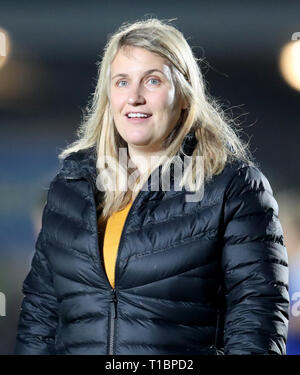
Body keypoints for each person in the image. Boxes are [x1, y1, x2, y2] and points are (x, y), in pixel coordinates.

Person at [15, 18, 289, 355]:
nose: (134, 97)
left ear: (185, 96)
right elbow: (40, 314)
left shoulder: (232, 187)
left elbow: (256, 316)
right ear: (108, 96)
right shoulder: (70, 188)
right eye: (122, 82)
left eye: (153, 81)